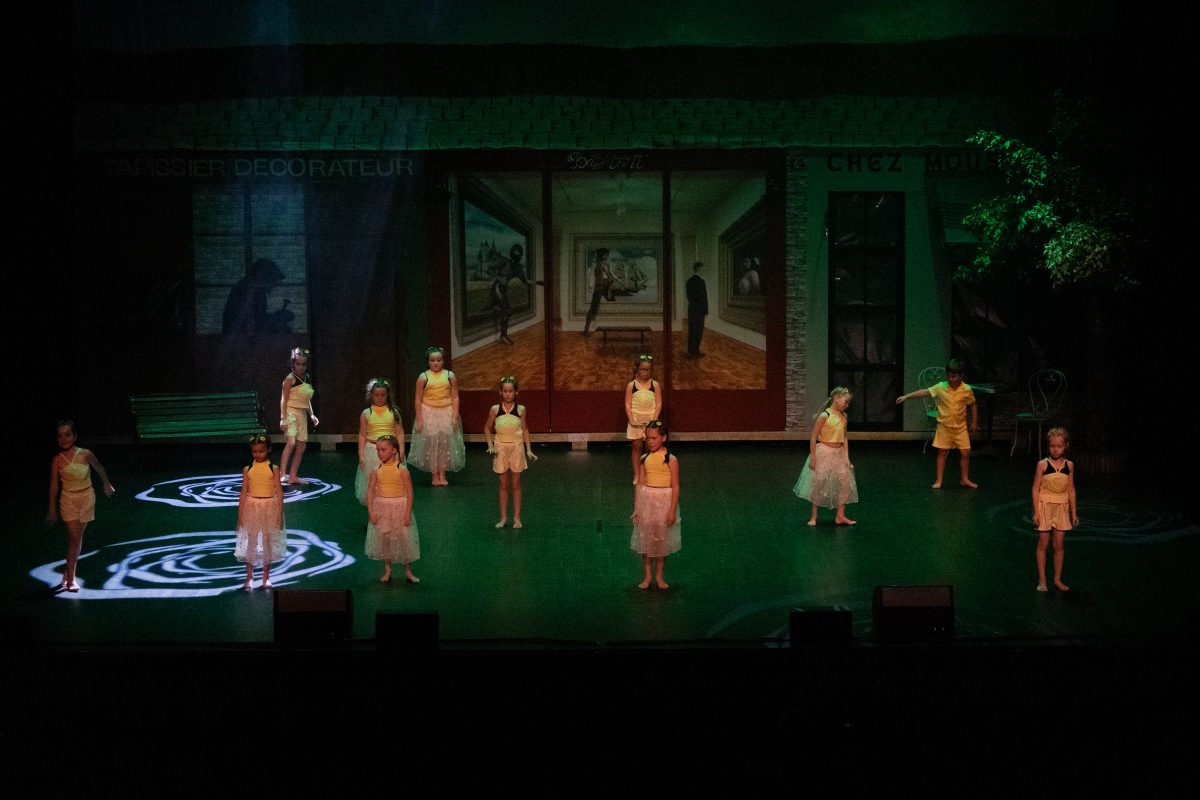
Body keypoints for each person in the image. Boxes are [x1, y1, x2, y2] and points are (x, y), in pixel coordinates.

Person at [45, 421, 114, 592]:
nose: (64, 439)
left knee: (76, 538)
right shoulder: (57, 460)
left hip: (87, 498)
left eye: (67, 435)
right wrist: (52, 508)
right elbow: (54, 486)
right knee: (75, 539)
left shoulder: (85, 454)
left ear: (75, 436)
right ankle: (71, 579)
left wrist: (107, 484)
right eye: (60, 436)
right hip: (68, 501)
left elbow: (100, 468)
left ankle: (67, 571)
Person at [896, 358, 978, 488]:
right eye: (949, 376)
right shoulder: (941, 387)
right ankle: (939, 480)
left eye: (954, 376)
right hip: (944, 427)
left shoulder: (966, 389)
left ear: (961, 376)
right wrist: (906, 396)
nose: (951, 379)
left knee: (965, 452)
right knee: (942, 453)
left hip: (960, 427)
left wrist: (974, 422)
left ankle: (965, 479)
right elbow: (925, 392)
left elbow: (973, 404)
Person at [793, 387, 858, 526]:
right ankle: (814, 517)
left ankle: (840, 516)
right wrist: (813, 457)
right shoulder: (825, 415)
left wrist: (847, 457)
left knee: (844, 483)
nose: (847, 405)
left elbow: (844, 438)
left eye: (848, 403)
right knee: (819, 482)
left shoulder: (844, 416)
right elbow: (813, 437)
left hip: (839, 454)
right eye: (846, 402)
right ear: (836, 398)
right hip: (824, 452)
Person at [631, 420, 680, 590]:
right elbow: (640, 484)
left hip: (664, 502)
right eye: (648, 438)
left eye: (654, 438)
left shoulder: (671, 459)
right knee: (647, 540)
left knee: (661, 540)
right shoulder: (644, 458)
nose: (650, 442)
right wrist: (637, 508)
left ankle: (659, 576)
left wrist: (672, 510)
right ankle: (647, 576)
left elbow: (676, 486)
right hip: (647, 501)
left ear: (663, 438)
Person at [484, 376, 538, 529]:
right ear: (500, 392)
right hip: (500, 448)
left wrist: (529, 449)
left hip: (517, 448)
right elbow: (487, 428)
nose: (508, 394)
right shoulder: (495, 409)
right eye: (505, 391)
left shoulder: (521, 410)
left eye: (511, 391)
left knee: (516, 484)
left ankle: (517, 518)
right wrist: (490, 445)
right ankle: (503, 518)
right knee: (503, 484)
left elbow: (525, 430)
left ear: (516, 392)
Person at [366, 435, 420, 584]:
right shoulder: (376, 470)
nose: (379, 453)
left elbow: (410, 492)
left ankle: (408, 570)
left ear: (394, 450)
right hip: (382, 509)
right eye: (378, 450)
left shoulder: (402, 470)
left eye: (383, 450)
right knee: (385, 538)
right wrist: (371, 511)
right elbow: (370, 491)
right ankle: (388, 569)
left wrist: (407, 513)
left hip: (399, 508)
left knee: (404, 538)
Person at [235, 434, 286, 590]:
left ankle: (266, 577)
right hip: (252, 507)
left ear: (268, 450)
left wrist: (279, 515)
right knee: (251, 541)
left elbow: (279, 492)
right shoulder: (248, 469)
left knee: (267, 541)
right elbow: (243, 492)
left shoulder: (273, 468)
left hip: (269, 507)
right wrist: (240, 516)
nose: (258, 454)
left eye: (261, 451)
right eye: (255, 451)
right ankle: (249, 577)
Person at [409, 347, 466, 486]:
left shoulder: (450, 375)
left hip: (446, 412)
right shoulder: (423, 377)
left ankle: (442, 474)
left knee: (443, 446)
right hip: (429, 412)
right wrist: (420, 418)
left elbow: (455, 397)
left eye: (439, 360)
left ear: (443, 361)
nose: (435, 363)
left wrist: (454, 415)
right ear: (428, 361)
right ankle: (434, 476)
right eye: (432, 360)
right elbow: (418, 399)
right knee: (432, 445)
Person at [1032, 427, 1078, 592]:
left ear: (1065, 446)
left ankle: (1057, 579)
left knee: (1059, 545)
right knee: (1043, 544)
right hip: (1045, 506)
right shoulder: (1042, 465)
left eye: (1059, 446)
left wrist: (1074, 512)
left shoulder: (1069, 466)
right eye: (1052, 446)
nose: (1055, 449)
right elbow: (1035, 488)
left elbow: (1071, 489)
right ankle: (1042, 580)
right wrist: (1036, 512)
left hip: (1062, 508)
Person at [356, 378, 405, 505]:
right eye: (376, 395)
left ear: (387, 395)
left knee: (389, 481)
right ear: (371, 395)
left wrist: (401, 451)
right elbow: (362, 436)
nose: (379, 398)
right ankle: (375, 509)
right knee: (373, 482)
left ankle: (387, 507)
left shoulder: (393, 413)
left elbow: (400, 433)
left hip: (391, 453)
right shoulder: (366, 413)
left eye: (382, 395)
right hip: (372, 451)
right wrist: (361, 455)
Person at [279, 347, 319, 485]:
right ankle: (282, 474)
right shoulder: (290, 379)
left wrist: (312, 415)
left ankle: (293, 476)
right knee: (291, 443)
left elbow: (306, 399)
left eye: (303, 364)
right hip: (290, 413)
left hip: (302, 414)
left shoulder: (307, 378)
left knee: (301, 447)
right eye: (298, 364)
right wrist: (283, 418)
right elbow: (283, 400)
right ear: (293, 363)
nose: (301, 367)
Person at [625, 354, 663, 485]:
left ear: (651, 370)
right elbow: (627, 404)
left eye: (647, 369)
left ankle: (647, 474)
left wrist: (654, 420)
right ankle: (637, 474)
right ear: (637, 370)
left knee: (650, 447)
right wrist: (632, 420)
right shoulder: (631, 385)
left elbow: (658, 403)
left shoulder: (655, 385)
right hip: (636, 421)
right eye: (642, 369)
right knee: (636, 447)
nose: (645, 372)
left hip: (650, 421)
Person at [489, 243, 534, 346]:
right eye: (517, 253)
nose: (518, 255)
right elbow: (489, 269)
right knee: (506, 310)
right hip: (497, 288)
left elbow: (525, 280)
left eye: (519, 253)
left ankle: (503, 335)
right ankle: (503, 336)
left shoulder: (518, 268)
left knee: (507, 311)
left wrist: (538, 282)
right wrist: (499, 278)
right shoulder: (504, 261)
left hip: (503, 290)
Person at [582, 248, 613, 337]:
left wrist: (609, 281)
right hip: (599, 288)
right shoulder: (596, 265)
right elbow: (591, 277)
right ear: (601, 255)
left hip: (604, 287)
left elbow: (608, 275)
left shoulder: (605, 265)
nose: (607, 256)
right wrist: (591, 286)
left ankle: (588, 329)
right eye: (606, 254)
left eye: (607, 254)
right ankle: (586, 330)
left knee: (596, 309)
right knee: (593, 309)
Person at [685, 261, 708, 358]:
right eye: (703, 268)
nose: (703, 270)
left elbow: (688, 297)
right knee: (698, 331)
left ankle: (690, 351)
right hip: (699, 310)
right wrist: (705, 311)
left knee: (691, 330)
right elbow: (703, 298)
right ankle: (696, 352)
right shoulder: (701, 281)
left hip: (691, 309)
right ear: (699, 268)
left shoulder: (688, 281)